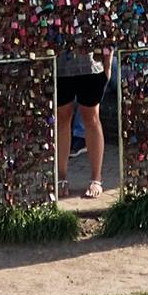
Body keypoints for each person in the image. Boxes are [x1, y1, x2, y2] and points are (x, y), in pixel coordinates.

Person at [56, 47, 111, 197]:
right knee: (62, 118)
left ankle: (96, 178)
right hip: (60, 66)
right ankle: (61, 177)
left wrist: (108, 62)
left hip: (91, 67)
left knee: (91, 117)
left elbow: (108, 30)